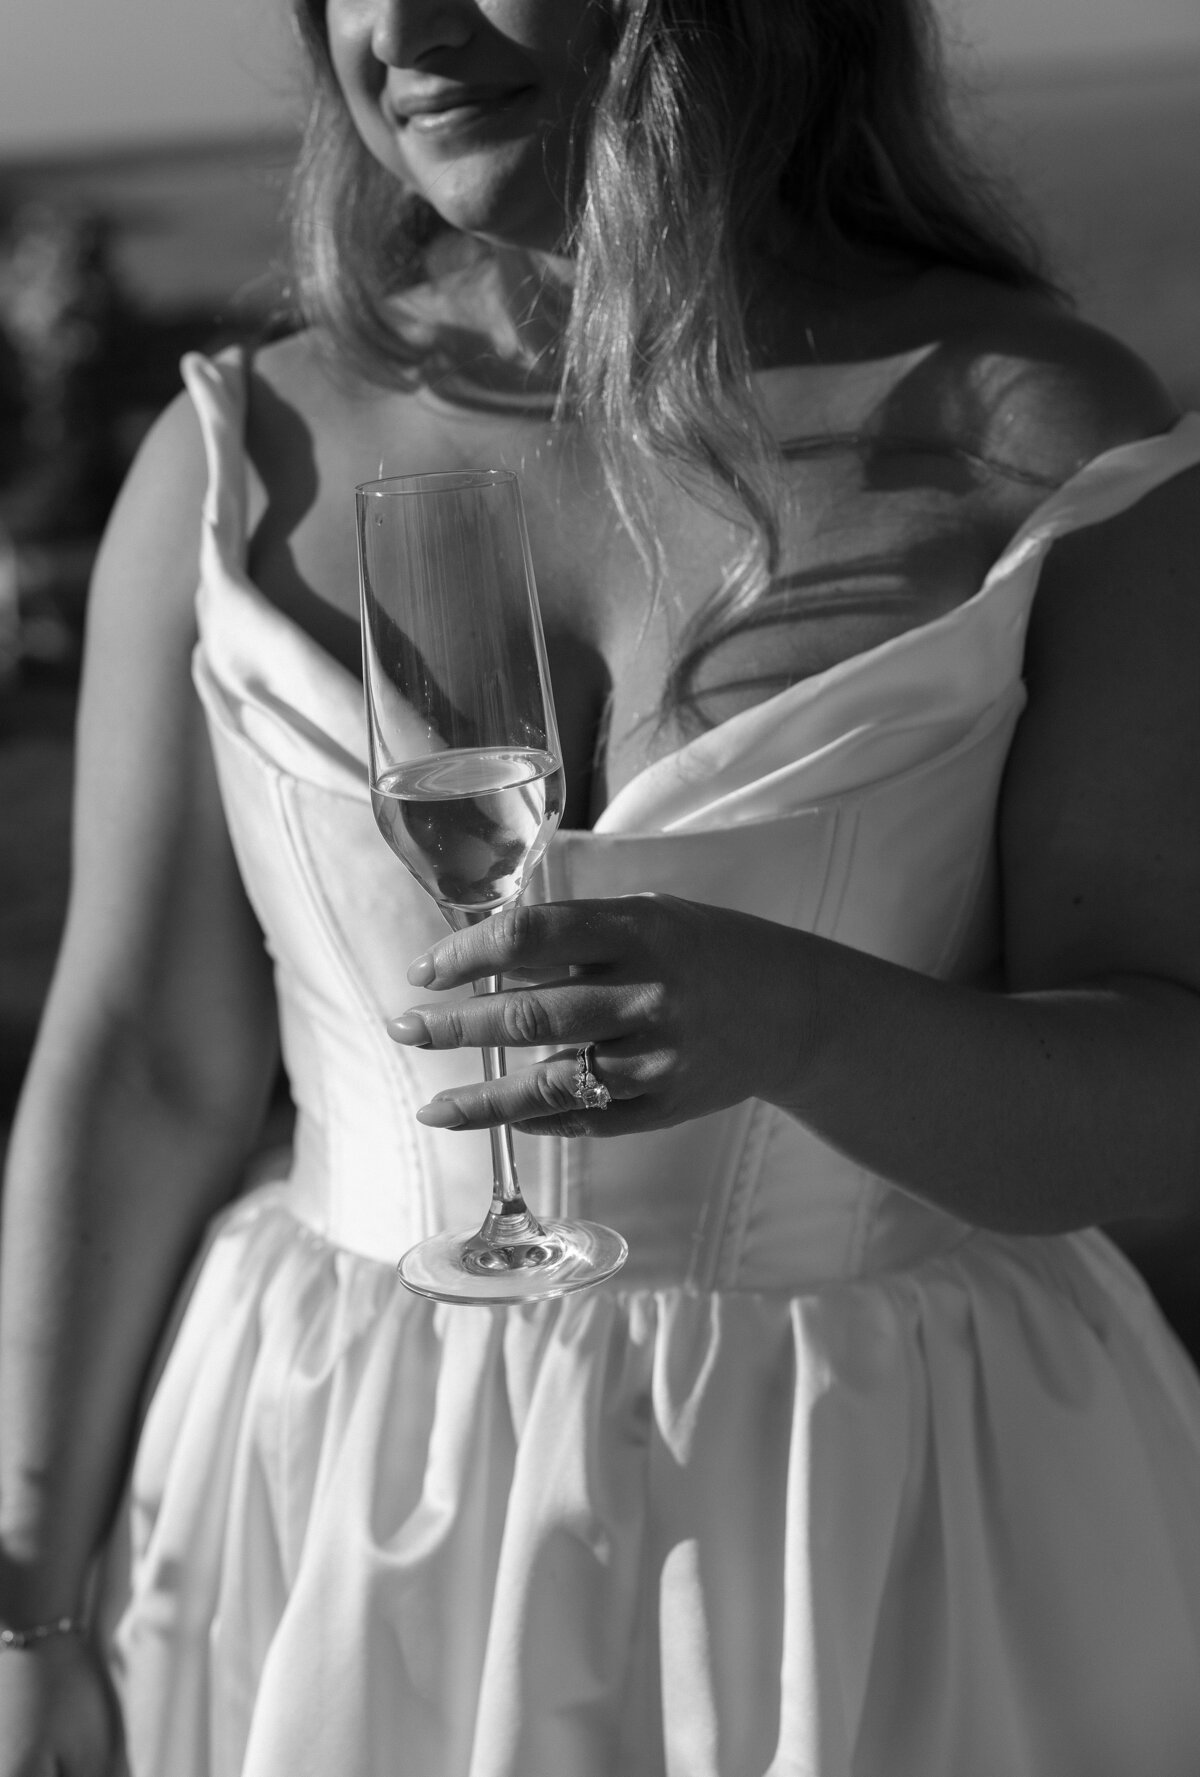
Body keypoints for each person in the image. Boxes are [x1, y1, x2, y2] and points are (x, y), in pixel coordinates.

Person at [3, 1, 1200, 1771]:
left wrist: (799, 1020)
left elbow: (1165, 1096)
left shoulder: (1043, 440)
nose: (397, 27)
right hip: (338, 1500)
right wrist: (25, 1593)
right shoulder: (231, 460)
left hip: (885, 1508)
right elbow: (144, 1069)